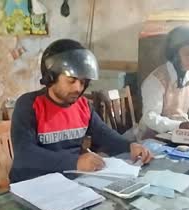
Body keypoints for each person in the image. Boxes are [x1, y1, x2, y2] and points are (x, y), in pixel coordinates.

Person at [10, 39, 152, 183]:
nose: (78, 88)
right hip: (32, 184)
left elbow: (105, 135)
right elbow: (25, 154)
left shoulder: (83, 105)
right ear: (51, 77)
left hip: (69, 182)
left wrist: (129, 146)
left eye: (83, 82)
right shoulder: (28, 105)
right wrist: (75, 162)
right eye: (71, 81)